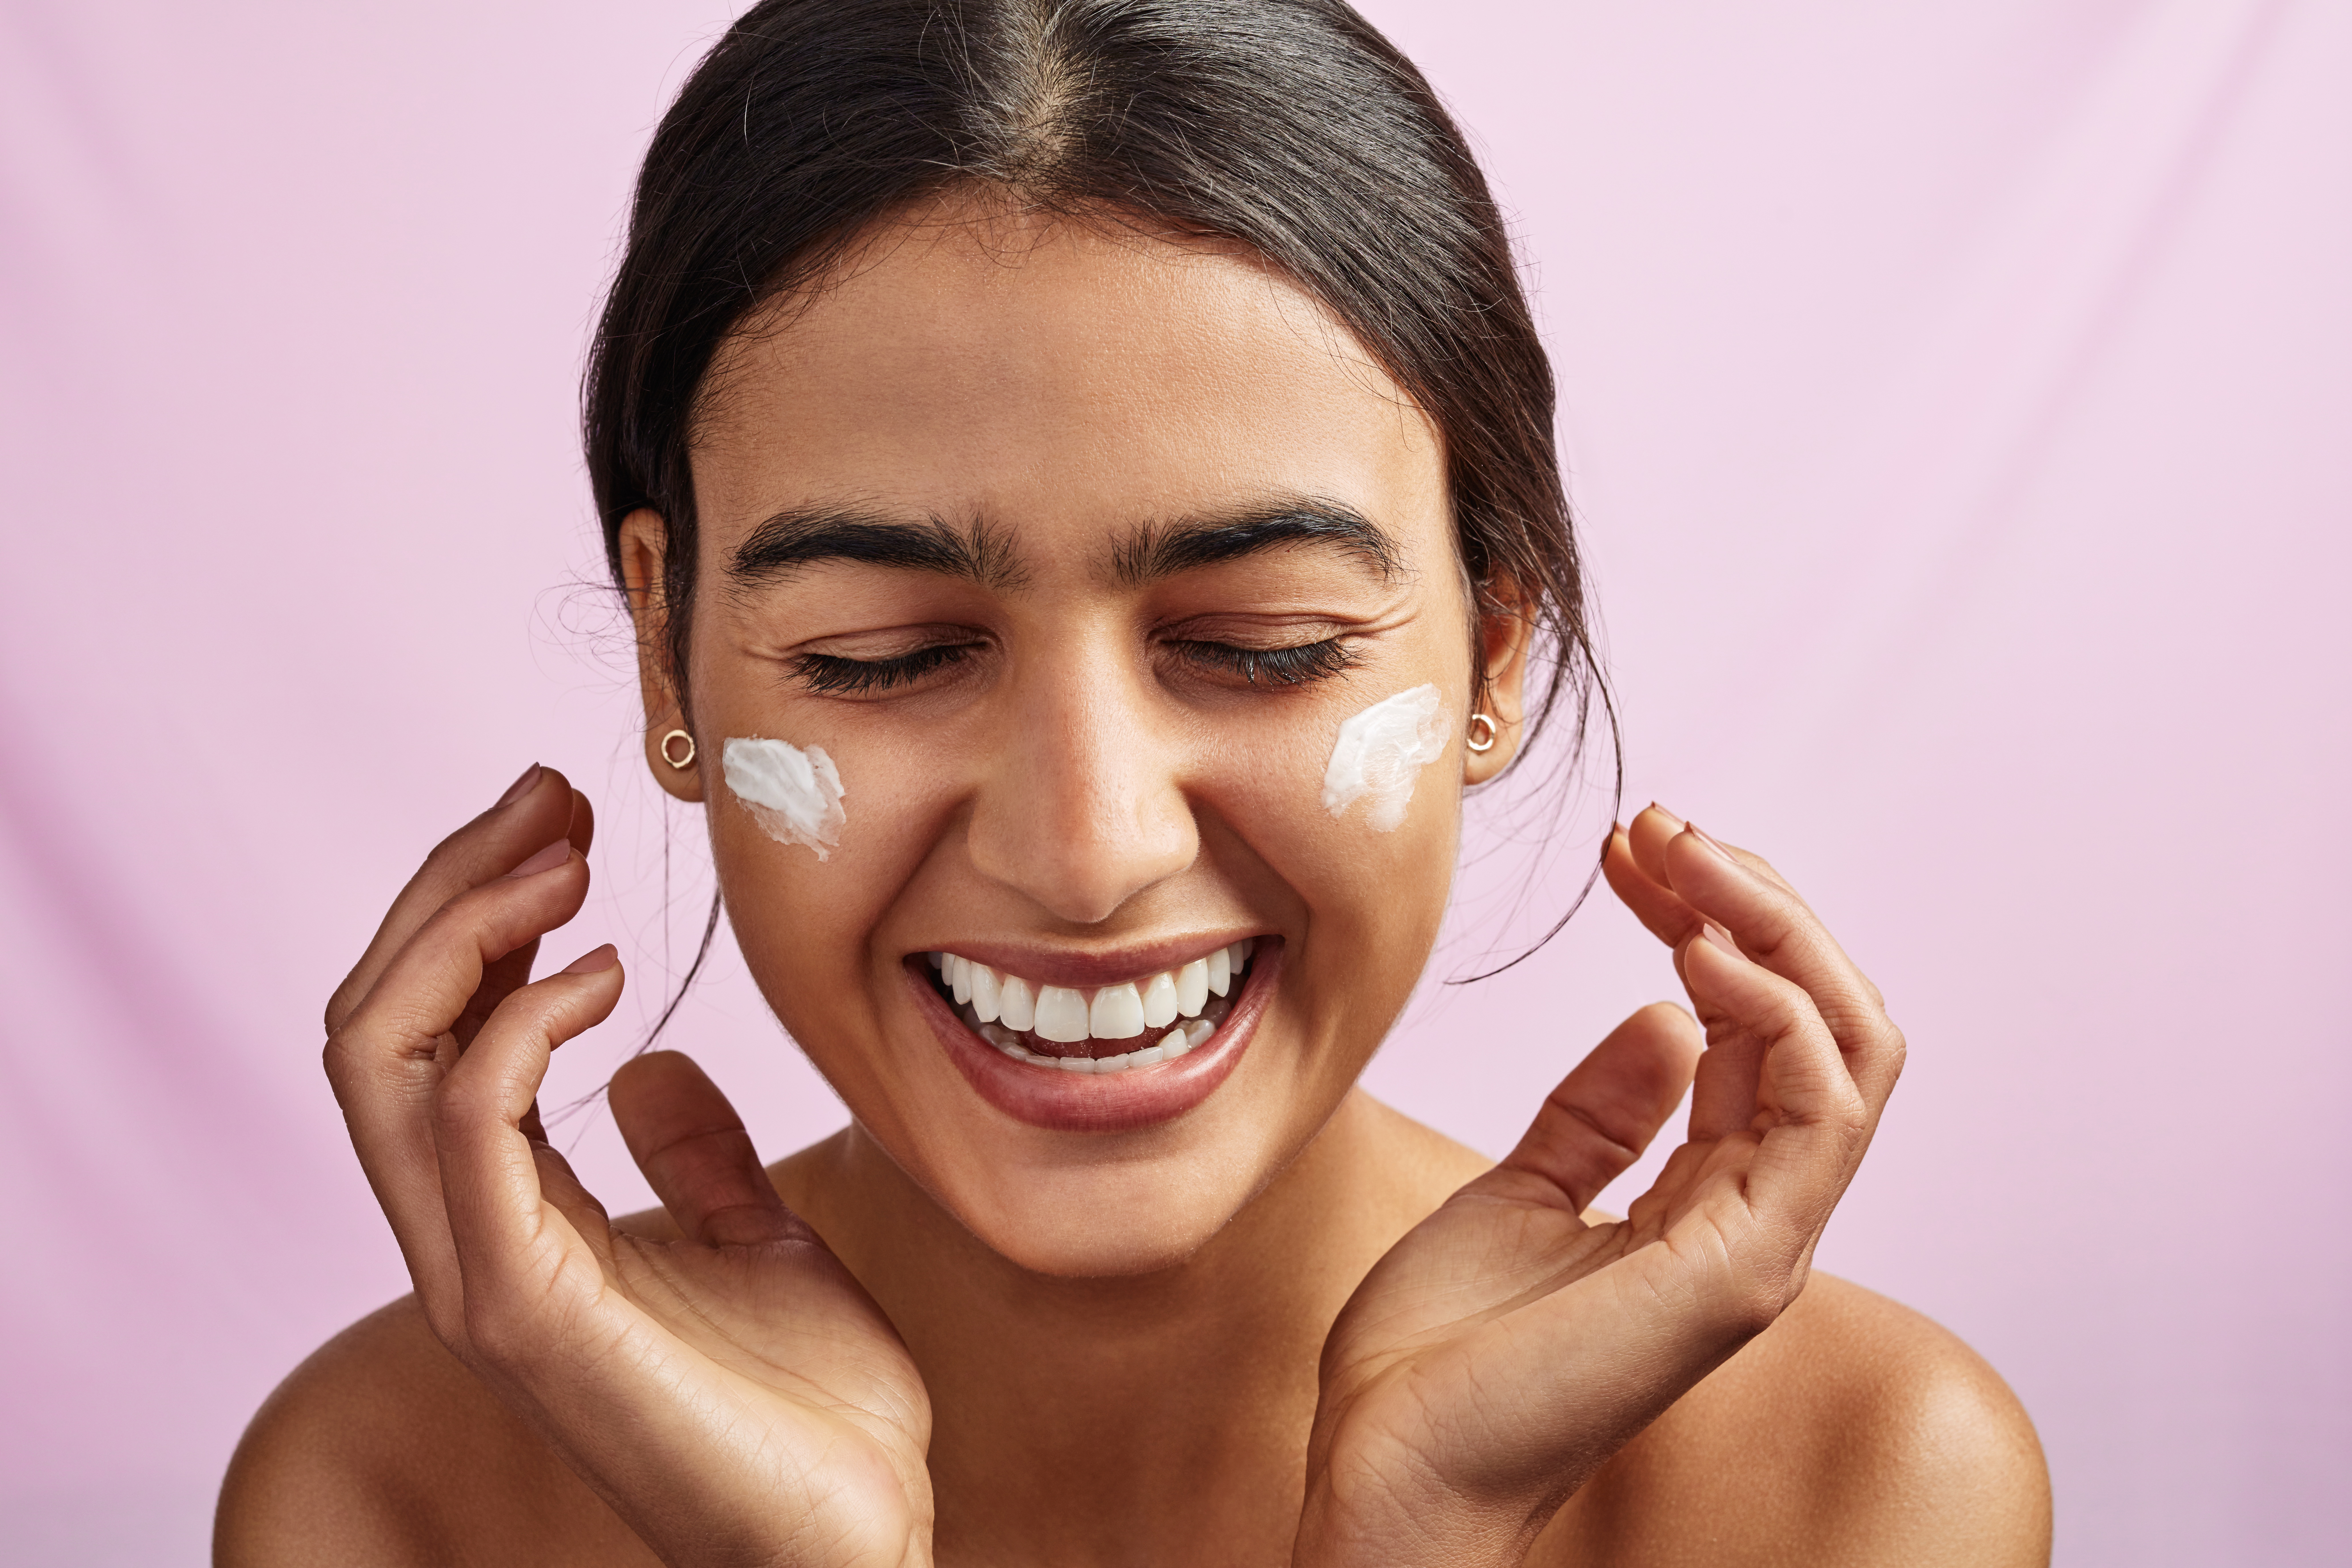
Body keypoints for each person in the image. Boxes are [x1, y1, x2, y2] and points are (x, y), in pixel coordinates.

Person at [214, 2, 2051, 1562]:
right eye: (886, 656)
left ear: (1494, 652)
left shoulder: (1850, 1483)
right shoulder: (396, 1495)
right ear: (662, 651)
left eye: (1261, 643)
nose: (1085, 852)